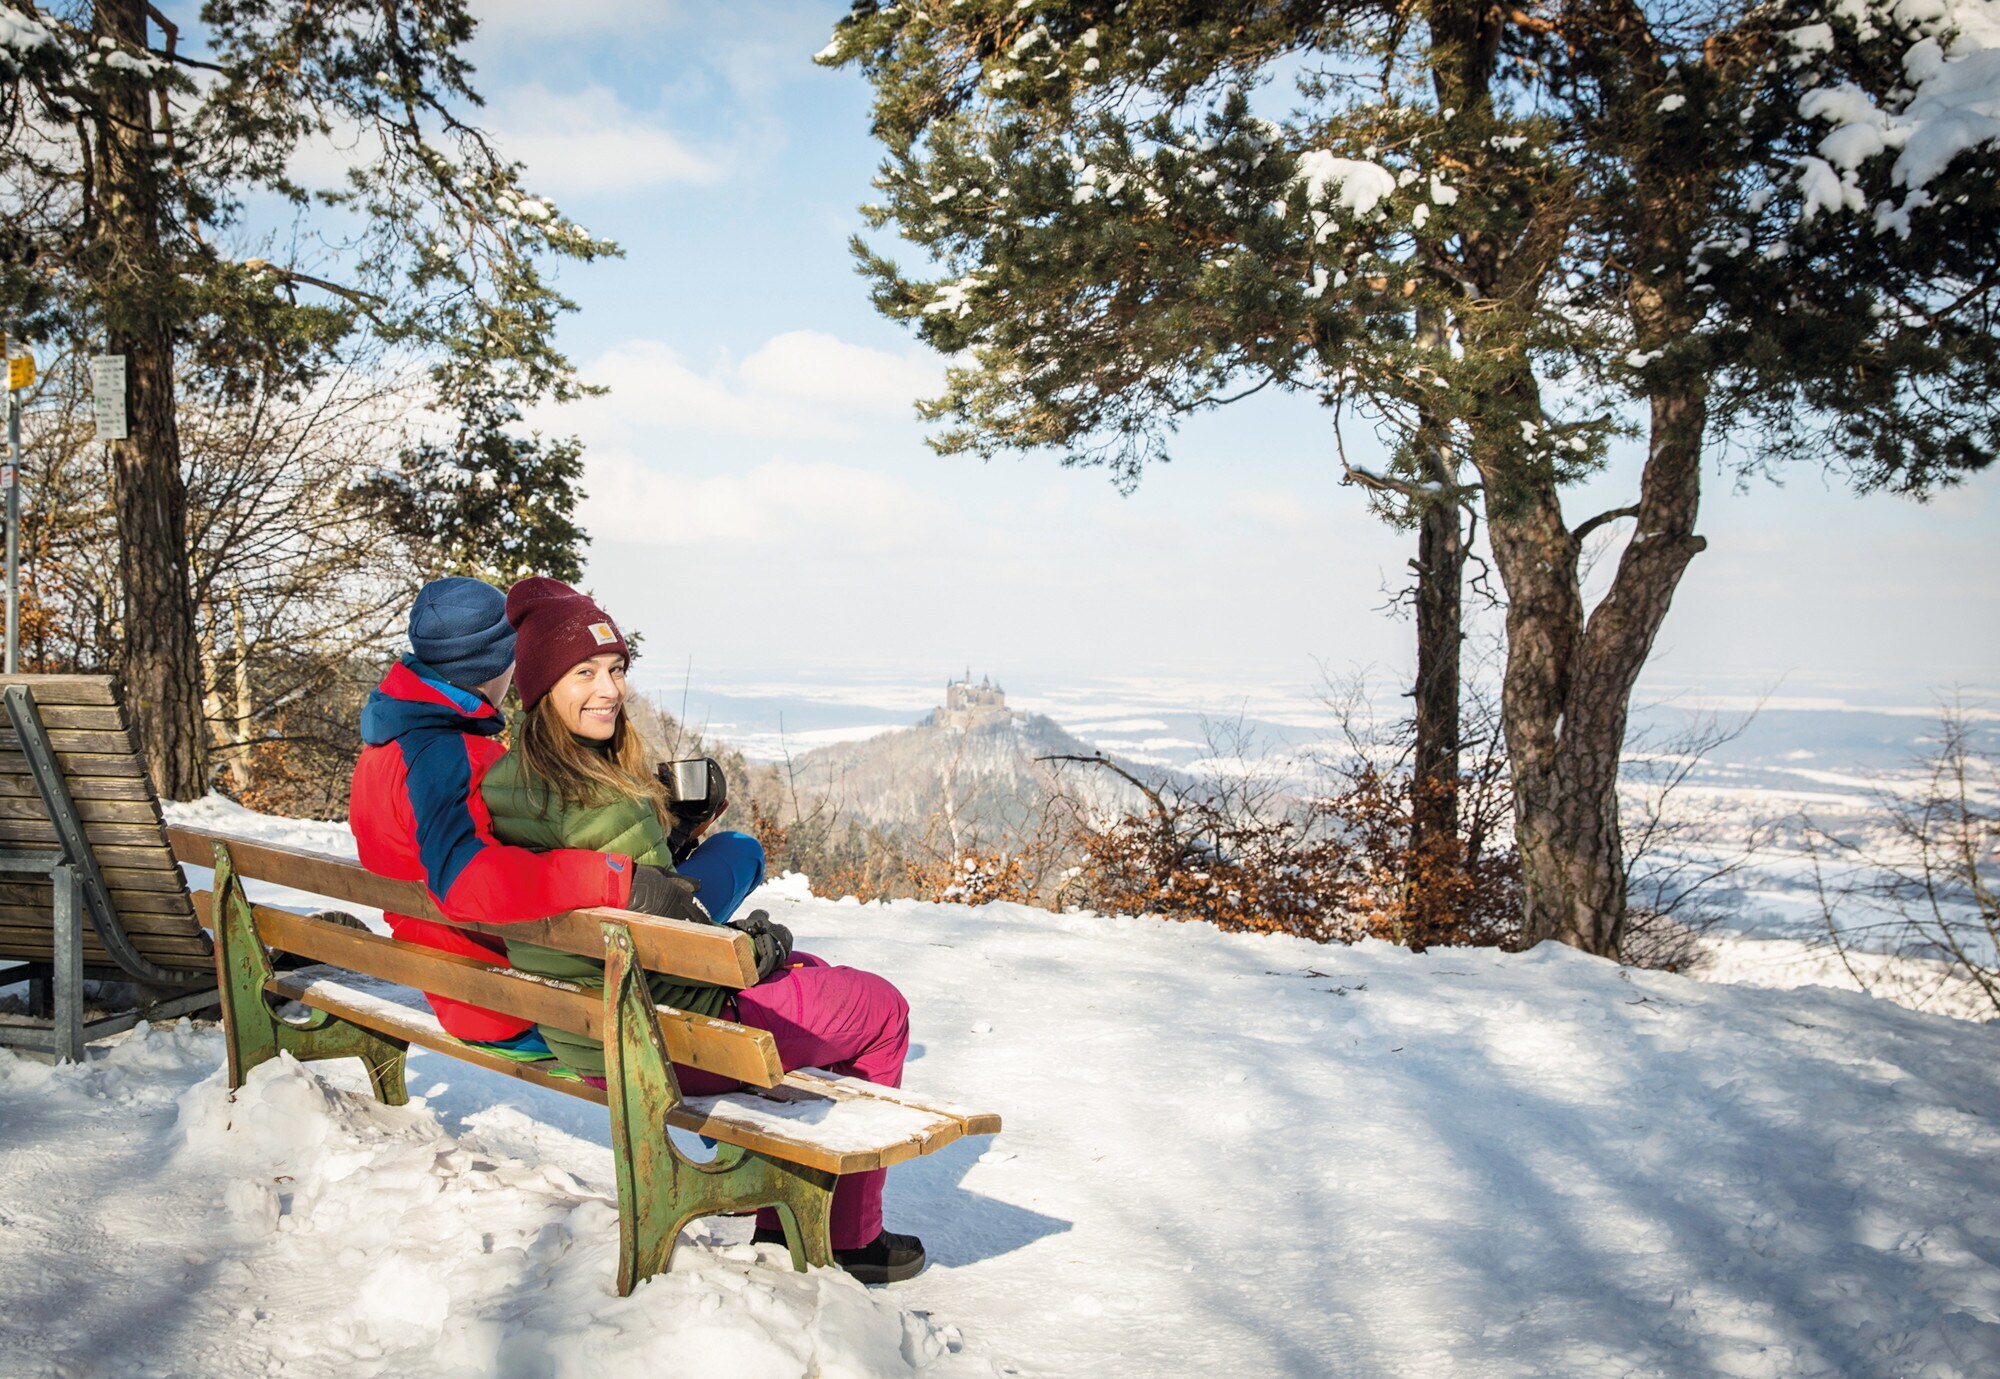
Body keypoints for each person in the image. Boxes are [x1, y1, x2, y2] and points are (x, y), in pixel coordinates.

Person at [481, 576, 926, 1284]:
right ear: (540, 685)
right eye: (584, 672)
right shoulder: (598, 793)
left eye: (616, 669)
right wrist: (755, 945)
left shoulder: (505, 783)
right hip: (664, 1032)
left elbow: (634, 911)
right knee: (880, 1010)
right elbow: (678, 943)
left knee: (811, 975)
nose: (609, 689)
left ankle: (790, 1217)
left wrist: (677, 841)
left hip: (585, 1029)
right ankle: (845, 1235)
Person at [349, 577, 692, 1057]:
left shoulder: (386, 747)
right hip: (510, 1005)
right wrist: (616, 878)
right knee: (732, 860)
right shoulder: (451, 757)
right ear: (500, 662)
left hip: (454, 985)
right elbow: (466, 882)